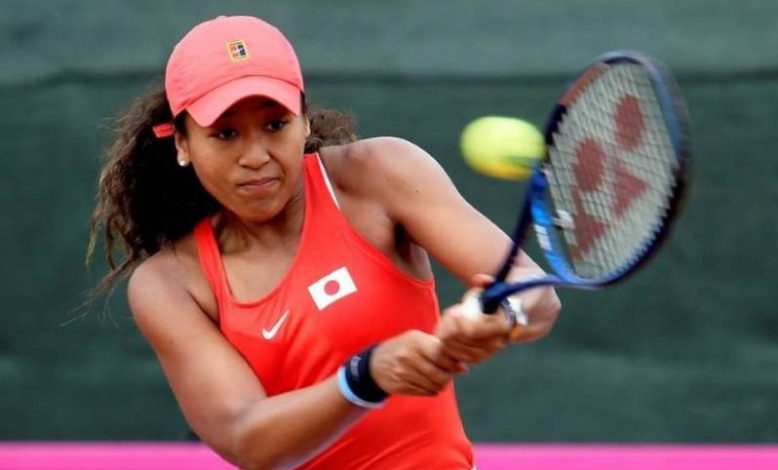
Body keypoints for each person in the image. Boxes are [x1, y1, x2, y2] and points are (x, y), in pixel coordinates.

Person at [88, 15, 561, 470]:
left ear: (305, 120)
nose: (255, 155)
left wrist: (502, 315)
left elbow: (533, 290)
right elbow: (247, 440)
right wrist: (365, 377)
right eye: (226, 134)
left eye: (276, 124)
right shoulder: (170, 284)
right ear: (183, 144)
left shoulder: (379, 174)